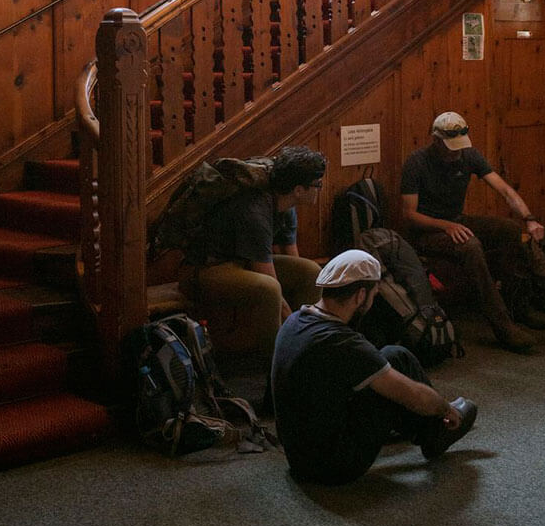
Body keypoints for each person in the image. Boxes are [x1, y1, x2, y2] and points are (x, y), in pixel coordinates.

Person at [272, 249, 477, 484]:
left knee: (391, 356)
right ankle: (438, 432)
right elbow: (411, 393)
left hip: (299, 457)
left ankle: (427, 430)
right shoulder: (342, 343)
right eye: (374, 294)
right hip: (331, 468)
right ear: (360, 295)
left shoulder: (295, 320)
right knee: (397, 364)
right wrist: (444, 408)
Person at [400, 111, 545, 353]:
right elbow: (410, 215)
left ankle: (517, 305)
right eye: (450, 147)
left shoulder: (469, 155)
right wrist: (445, 226)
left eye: (459, 147)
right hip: (427, 231)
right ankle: (502, 326)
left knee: (509, 229)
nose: (456, 152)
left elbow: (505, 190)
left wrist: (529, 219)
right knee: (471, 245)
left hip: (457, 221)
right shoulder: (416, 162)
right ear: (436, 140)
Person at [186, 145, 327, 360]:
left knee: (310, 271)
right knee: (269, 288)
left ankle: (308, 344)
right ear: (298, 189)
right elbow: (265, 271)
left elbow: (291, 256)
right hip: (211, 267)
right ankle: (278, 361)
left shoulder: (286, 205)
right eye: (317, 184)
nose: (320, 188)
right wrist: (291, 323)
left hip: (241, 262)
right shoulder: (255, 209)